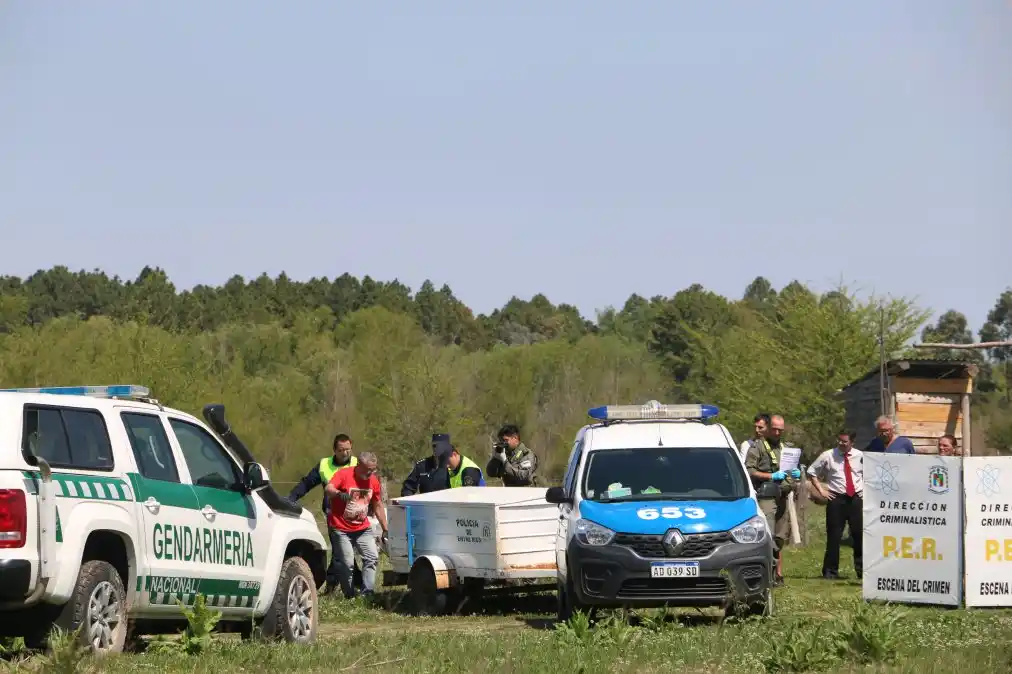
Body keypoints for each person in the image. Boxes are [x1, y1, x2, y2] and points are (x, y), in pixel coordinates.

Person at [286, 433, 360, 594]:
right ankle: (337, 584)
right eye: (341, 450)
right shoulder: (324, 465)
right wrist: (291, 498)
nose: (345, 453)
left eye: (348, 449)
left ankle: (351, 581)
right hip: (333, 513)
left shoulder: (357, 463)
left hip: (355, 513)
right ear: (334, 450)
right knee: (341, 548)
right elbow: (307, 483)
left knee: (344, 550)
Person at [744, 414, 799, 586]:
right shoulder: (757, 447)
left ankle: (777, 573)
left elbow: (792, 468)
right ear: (767, 428)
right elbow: (749, 470)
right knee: (767, 533)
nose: (777, 432)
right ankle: (765, 574)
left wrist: (797, 473)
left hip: (783, 496)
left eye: (780, 430)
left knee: (780, 537)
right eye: (774, 429)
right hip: (766, 495)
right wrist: (770, 475)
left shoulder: (786, 447)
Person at [324, 452, 389, 599]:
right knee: (347, 563)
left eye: (373, 470)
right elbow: (328, 488)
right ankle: (350, 595)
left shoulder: (373, 481)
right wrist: (338, 494)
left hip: (362, 528)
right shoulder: (344, 474)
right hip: (341, 528)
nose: (371, 473)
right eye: (368, 469)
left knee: (372, 557)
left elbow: (377, 505)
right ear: (359, 465)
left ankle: (367, 594)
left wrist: (385, 528)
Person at [807, 430, 864, 580]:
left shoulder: (860, 456)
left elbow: (869, 473)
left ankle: (862, 570)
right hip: (836, 499)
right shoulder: (828, 455)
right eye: (839, 440)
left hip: (856, 499)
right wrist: (821, 490)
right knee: (834, 536)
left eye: (845, 442)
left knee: (859, 535)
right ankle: (830, 571)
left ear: (852, 442)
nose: (841, 444)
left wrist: (864, 491)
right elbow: (811, 471)